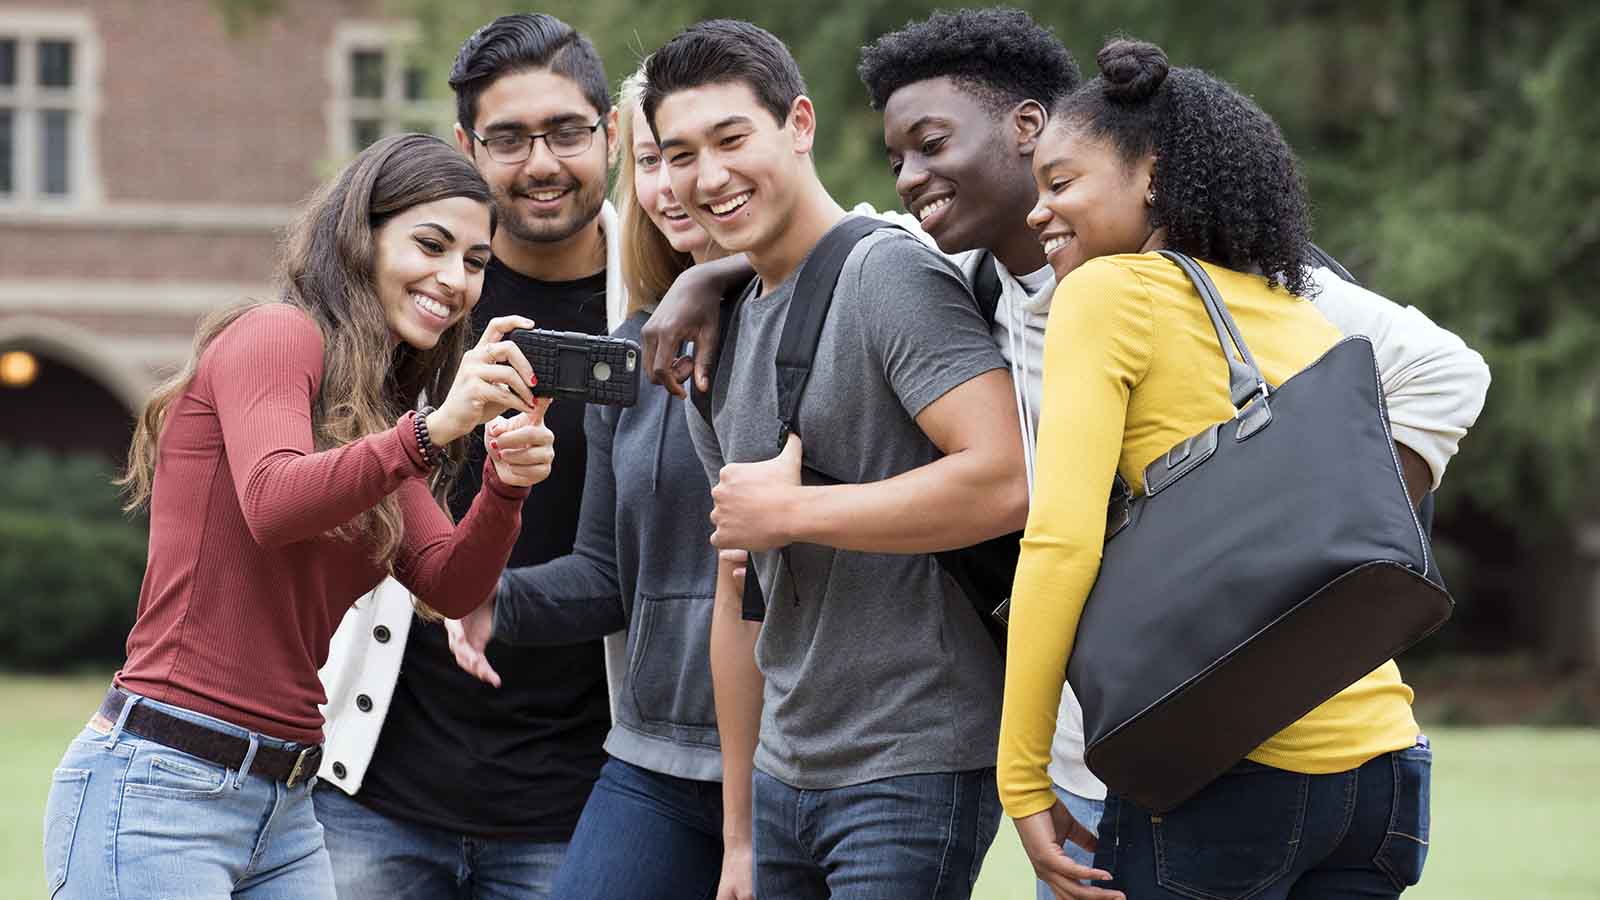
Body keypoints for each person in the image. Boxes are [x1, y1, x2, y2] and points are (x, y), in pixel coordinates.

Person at [646, 12, 1489, 896]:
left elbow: (1445, 373)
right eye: (898, 160)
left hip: (1215, 753)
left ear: (1027, 128)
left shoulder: (1219, 272)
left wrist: (1300, 558)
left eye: (932, 145)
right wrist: (713, 271)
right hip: (1131, 755)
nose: (911, 182)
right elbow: (831, 228)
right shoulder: (970, 285)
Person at [1001, 39, 1480, 900]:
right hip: (1383, 775)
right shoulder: (1302, 315)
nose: (1039, 211)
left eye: (1061, 182)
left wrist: (1023, 773)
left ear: (1152, 171)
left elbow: (1060, 544)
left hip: (1226, 773)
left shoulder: (1107, 295)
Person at [40, 132, 556, 900]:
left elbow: (448, 584)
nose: (454, 280)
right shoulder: (275, 337)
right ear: (362, 236)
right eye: (430, 244)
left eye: (475, 263)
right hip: (160, 788)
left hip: (284, 805)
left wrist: (504, 490)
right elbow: (275, 502)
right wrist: (431, 431)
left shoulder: (369, 416)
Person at [644, 19, 1029, 900]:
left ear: (800, 125)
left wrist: (794, 513)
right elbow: (740, 595)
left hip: (913, 764)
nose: (707, 177)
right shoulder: (718, 325)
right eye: (678, 154)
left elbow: (1007, 477)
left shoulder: (885, 276)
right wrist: (739, 834)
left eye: (732, 139)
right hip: (784, 777)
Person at [312, 14, 621, 900]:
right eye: (509, 138)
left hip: (584, 799)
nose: (542, 163)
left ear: (611, 133)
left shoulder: (678, 290)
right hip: (378, 787)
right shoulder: (414, 296)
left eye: (566, 131)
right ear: (464, 147)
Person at [443, 66, 731, 900]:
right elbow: (607, 571)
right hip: (651, 760)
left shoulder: (832, 288)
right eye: (658, 159)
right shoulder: (634, 347)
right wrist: (482, 598)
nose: (677, 183)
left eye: (699, 153)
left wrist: (717, 275)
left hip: (801, 753)